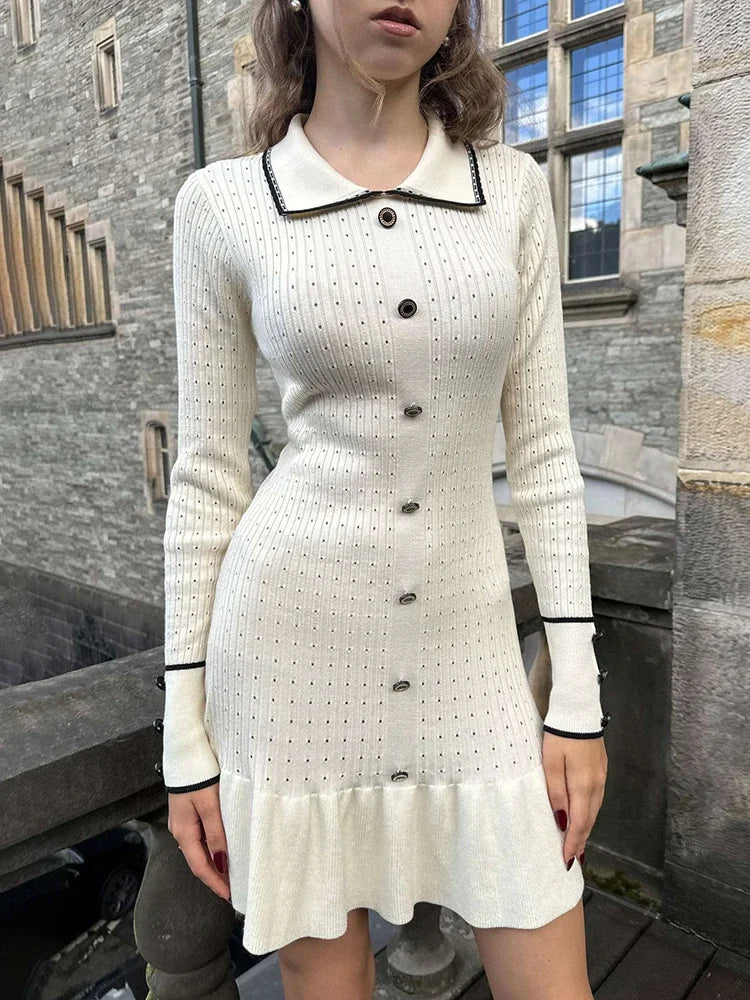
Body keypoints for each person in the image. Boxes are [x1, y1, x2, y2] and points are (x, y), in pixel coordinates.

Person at [160, 1, 610, 998]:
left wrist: (576, 697)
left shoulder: (512, 191)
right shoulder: (223, 205)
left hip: (473, 657)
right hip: (289, 663)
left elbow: (544, 455)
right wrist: (183, 738)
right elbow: (207, 476)